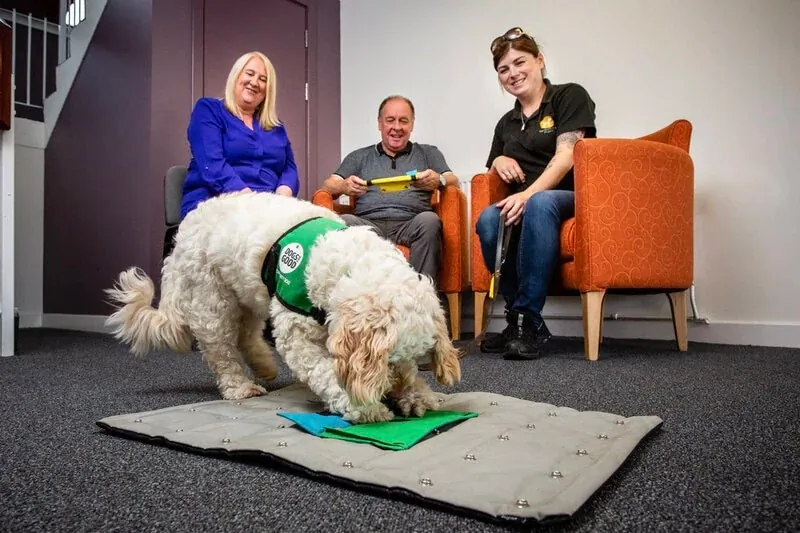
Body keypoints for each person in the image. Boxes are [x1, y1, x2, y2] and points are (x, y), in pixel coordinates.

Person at [475, 27, 597, 360]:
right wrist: (499, 158)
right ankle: (517, 321)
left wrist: (527, 194)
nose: (513, 73)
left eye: (519, 62)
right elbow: (493, 172)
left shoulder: (569, 96)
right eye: (504, 69)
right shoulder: (506, 122)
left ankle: (527, 318)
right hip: (522, 201)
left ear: (539, 60)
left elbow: (567, 156)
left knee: (541, 203)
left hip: (566, 197)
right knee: (488, 219)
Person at [321, 95, 459, 282]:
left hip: (410, 224)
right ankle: (354, 299)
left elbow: (453, 180)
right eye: (390, 120)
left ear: (412, 124)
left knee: (430, 220)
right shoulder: (358, 156)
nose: (397, 127)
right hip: (369, 225)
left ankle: (421, 297)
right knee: (343, 221)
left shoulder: (428, 153)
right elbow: (328, 186)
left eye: (403, 121)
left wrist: (439, 180)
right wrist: (345, 186)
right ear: (379, 124)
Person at [180, 51, 300, 220]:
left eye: (263, 79)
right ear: (236, 76)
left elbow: (289, 168)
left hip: (267, 211)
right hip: (214, 203)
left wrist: (281, 199)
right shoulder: (209, 110)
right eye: (250, 74)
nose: (254, 82)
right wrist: (251, 203)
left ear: (268, 90)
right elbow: (212, 163)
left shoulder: (276, 126)